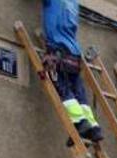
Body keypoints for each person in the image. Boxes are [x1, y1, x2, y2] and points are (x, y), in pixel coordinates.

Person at [42, 0, 104, 142]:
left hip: (58, 51)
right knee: (78, 92)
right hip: (74, 53)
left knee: (63, 89)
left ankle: (80, 122)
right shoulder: (73, 2)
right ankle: (93, 128)